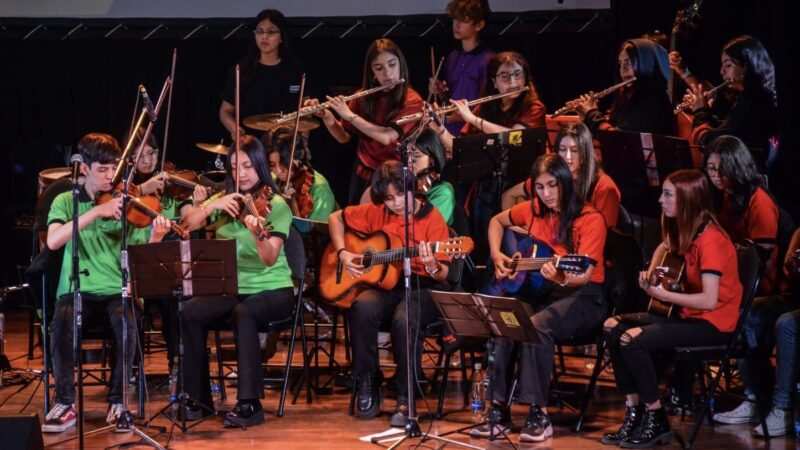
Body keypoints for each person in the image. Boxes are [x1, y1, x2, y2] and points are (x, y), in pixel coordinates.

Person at [600, 169, 742, 448]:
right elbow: (664, 247)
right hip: (688, 318)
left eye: (668, 195)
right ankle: (635, 411)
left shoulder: (712, 240)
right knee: (612, 326)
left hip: (714, 325)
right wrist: (650, 273)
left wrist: (664, 294)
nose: (660, 201)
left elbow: (709, 301)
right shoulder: (687, 229)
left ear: (688, 200)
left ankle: (655, 417)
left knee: (632, 339)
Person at [42, 133, 171, 433]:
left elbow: (143, 258)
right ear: (84, 168)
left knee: (126, 322)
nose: (110, 177)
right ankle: (65, 403)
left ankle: (117, 402)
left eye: (114, 169)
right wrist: (96, 212)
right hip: (77, 290)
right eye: (102, 170)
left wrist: (156, 237)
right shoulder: (65, 200)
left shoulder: (126, 204)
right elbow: (52, 240)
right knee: (61, 320)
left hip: (117, 290)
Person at [475, 154, 607, 442]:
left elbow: (583, 274)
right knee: (504, 318)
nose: (546, 194)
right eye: (540, 187)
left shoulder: (590, 219)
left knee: (536, 326)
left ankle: (538, 413)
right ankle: (497, 410)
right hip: (543, 291)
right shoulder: (533, 210)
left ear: (566, 184)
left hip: (584, 296)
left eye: (552, 186)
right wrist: (497, 255)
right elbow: (497, 222)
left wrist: (561, 276)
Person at [179, 135, 295, 429]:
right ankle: (198, 400)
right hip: (232, 287)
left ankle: (249, 404)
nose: (240, 173)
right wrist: (211, 208)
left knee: (245, 312)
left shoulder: (276, 204)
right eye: (234, 167)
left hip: (273, 288)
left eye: (247, 166)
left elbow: (269, 258)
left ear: (259, 166)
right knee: (190, 312)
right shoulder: (225, 201)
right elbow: (187, 224)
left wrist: (256, 231)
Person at [328, 160, 452, 427]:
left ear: (413, 189)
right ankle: (368, 381)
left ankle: (405, 394)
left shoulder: (432, 219)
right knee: (362, 306)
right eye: (388, 198)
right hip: (386, 284)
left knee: (403, 319)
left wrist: (432, 265)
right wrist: (343, 252)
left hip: (423, 286)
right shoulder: (377, 212)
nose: (395, 203)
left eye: (400, 195)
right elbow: (335, 218)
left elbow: (443, 274)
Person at [308, 38, 423, 205]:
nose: (388, 74)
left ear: (401, 65)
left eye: (392, 65)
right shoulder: (363, 97)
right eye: (379, 68)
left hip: (396, 178)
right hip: (364, 174)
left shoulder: (412, 100)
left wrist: (350, 116)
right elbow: (343, 137)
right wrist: (327, 116)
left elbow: (387, 137)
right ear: (372, 73)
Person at [711, 227, 799, 436]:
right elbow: (789, 271)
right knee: (749, 313)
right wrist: (793, 266)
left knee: (787, 324)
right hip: (794, 296)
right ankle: (756, 399)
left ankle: (782, 408)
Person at [502, 123, 621, 229]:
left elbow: (605, 238)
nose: (567, 158)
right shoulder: (550, 175)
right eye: (562, 150)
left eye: (574, 150)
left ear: (586, 152)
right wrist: (518, 231)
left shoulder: (604, 187)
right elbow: (509, 195)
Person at [685, 36, 779, 168]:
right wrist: (706, 111)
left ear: (747, 66)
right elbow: (730, 131)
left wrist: (700, 112)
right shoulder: (758, 97)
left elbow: (712, 144)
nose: (721, 71)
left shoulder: (753, 102)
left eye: (728, 65)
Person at [430, 51, 546, 159]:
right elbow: (460, 149)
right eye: (505, 76)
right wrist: (440, 129)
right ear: (494, 83)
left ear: (525, 78)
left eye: (517, 74)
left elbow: (515, 138)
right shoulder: (485, 107)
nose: (513, 82)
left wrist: (473, 119)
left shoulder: (534, 108)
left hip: (521, 174)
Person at [703, 135, 778, 294]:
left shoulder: (760, 202)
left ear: (737, 167)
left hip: (754, 285)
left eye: (723, 168)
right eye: (711, 168)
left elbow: (758, 262)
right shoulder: (724, 193)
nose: (716, 174)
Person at [219, 9, 303, 139]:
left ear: (282, 37)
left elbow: (306, 115)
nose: (264, 37)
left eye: (271, 32)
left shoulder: (295, 70)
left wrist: (302, 144)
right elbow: (225, 111)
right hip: (250, 144)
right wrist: (234, 129)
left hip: (285, 144)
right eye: (259, 31)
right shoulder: (241, 70)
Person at [574, 38, 674, 136]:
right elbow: (607, 137)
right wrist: (585, 116)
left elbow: (618, 138)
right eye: (620, 63)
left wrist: (592, 114)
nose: (623, 69)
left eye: (628, 62)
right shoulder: (627, 97)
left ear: (646, 63)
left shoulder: (653, 99)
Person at [360, 129, 455, 226]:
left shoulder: (443, 192)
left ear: (432, 159)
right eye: (406, 155)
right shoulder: (399, 181)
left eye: (416, 157)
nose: (409, 162)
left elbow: (427, 228)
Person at [429, 0, 494, 136]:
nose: (457, 25)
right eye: (455, 19)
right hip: (449, 129)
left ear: (479, 25)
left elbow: (485, 105)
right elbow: (451, 99)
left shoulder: (488, 59)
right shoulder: (453, 57)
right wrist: (440, 91)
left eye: (464, 20)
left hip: (473, 131)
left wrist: (445, 118)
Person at [264, 127, 336, 223]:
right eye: (272, 165)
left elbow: (314, 233)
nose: (278, 171)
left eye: (284, 163)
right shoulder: (273, 178)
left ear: (298, 157)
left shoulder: (320, 189)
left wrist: (292, 204)